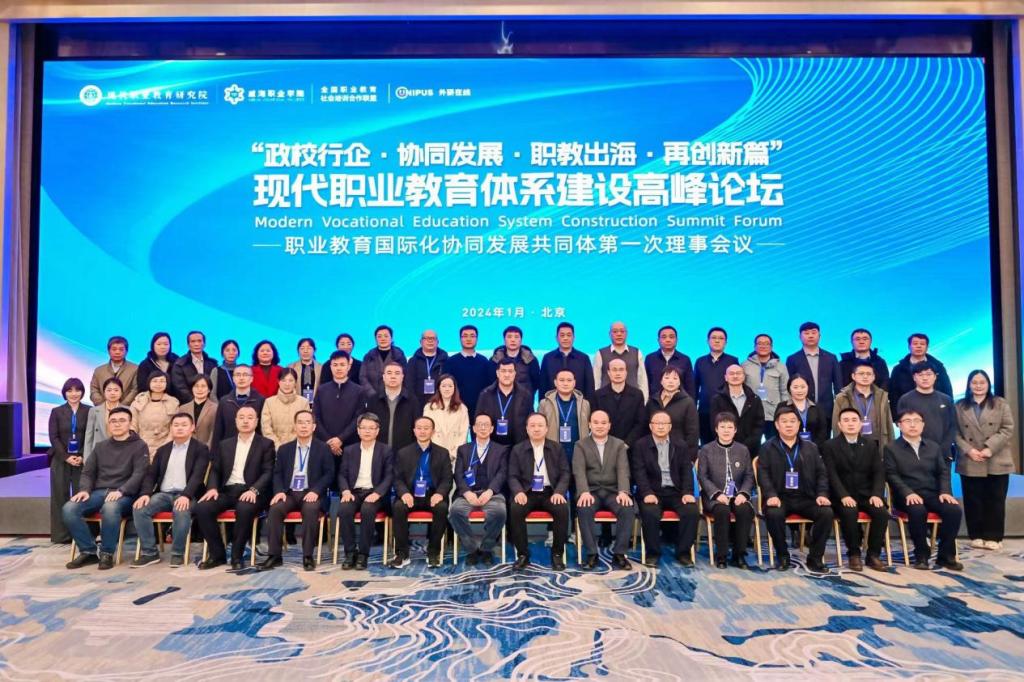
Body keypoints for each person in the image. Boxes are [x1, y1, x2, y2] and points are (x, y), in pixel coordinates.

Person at [63, 406, 149, 569]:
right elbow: (88, 472)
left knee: (110, 508)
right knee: (69, 508)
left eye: (122, 420)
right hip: (99, 492)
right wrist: (84, 490)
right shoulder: (101, 446)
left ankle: (107, 553)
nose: (117, 424)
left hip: (125, 495)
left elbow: (139, 474)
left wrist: (121, 491)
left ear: (130, 423)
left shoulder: (139, 446)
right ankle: (88, 551)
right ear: (108, 424)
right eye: (113, 421)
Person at [195, 405, 275, 570]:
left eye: (250, 418)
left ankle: (237, 556)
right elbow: (215, 470)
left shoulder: (266, 444)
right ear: (236, 421)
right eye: (241, 417)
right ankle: (217, 555)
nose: (245, 421)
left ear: (256, 422)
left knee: (245, 508)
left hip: (252, 491)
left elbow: (268, 472)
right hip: (228, 490)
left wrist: (254, 490)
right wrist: (212, 488)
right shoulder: (225, 444)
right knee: (202, 508)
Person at [757, 406, 834, 572]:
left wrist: (822, 494)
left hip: (806, 497)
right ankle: (783, 555)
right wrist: (770, 495)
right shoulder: (767, 448)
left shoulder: (811, 447)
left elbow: (821, 473)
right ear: (777, 425)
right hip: (780, 498)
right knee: (773, 514)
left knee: (826, 513)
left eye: (792, 421)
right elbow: (763, 475)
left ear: (799, 424)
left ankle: (815, 558)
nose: (789, 425)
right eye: (784, 421)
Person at [885, 410, 963, 570]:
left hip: (932, 494)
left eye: (917, 421)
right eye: (907, 421)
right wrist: (908, 493)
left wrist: (945, 492)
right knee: (917, 510)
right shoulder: (891, 448)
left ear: (923, 425)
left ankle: (945, 555)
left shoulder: (933, 447)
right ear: (899, 425)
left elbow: (943, 472)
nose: (912, 425)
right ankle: (921, 554)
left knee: (953, 510)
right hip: (906, 496)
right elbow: (891, 475)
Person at [131, 412, 210, 567]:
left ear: (192, 427)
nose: (179, 428)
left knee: (181, 509)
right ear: (171, 428)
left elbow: (198, 476)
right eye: (176, 425)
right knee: (140, 508)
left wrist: (186, 495)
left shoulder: (201, 449)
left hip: (188, 495)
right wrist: (145, 494)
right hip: (164, 494)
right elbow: (151, 475)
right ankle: (150, 553)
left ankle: (177, 553)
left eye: (184, 425)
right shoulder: (163, 450)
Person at [259, 410, 334, 571]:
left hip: (311, 492)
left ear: (314, 427)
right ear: (295, 426)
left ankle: (307, 556)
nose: (304, 426)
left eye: (308, 422)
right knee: (275, 509)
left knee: (311, 509)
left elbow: (329, 474)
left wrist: (316, 491)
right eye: (300, 422)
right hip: (290, 493)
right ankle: (274, 556)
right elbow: (277, 473)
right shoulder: (284, 449)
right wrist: (279, 491)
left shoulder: (323, 448)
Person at [821, 408, 889, 572]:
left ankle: (873, 554)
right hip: (841, 496)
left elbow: (878, 472)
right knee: (849, 511)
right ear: (839, 425)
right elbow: (831, 474)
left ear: (860, 424)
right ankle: (854, 553)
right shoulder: (830, 446)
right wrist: (843, 495)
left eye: (854, 420)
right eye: (846, 420)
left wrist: (877, 494)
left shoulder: (870, 444)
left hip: (866, 494)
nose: (850, 424)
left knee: (881, 512)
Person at [955, 369, 1016, 551]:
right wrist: (969, 450)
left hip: (996, 457)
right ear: (969, 385)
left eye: (982, 382)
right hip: (970, 459)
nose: (978, 386)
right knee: (973, 500)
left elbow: (1007, 428)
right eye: (974, 382)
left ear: (988, 384)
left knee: (995, 500)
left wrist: (990, 448)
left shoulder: (1000, 403)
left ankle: (994, 537)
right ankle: (976, 535)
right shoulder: (959, 406)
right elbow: (954, 432)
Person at [631, 410, 700, 567]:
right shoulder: (641, 445)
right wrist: (647, 493)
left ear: (670, 426)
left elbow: (686, 471)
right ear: (651, 426)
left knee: (691, 511)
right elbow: (639, 473)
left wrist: (687, 492)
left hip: (676, 491)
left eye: (664, 423)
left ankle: (683, 553)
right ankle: (653, 554)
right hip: (652, 491)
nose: (661, 426)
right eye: (657, 423)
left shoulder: (680, 445)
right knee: (650, 512)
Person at [508, 413, 571, 571]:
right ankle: (523, 555)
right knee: (515, 508)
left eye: (540, 425)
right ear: (527, 429)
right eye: (533, 426)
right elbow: (512, 476)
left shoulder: (556, 448)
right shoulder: (518, 449)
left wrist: (559, 492)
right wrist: (518, 492)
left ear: (546, 428)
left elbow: (565, 473)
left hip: (550, 492)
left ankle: (557, 554)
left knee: (562, 509)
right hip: (527, 492)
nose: (536, 429)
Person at [573, 410, 634, 570]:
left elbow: (623, 470)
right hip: (591, 491)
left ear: (609, 425)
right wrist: (584, 492)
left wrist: (623, 492)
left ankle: (619, 554)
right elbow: (579, 471)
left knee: (627, 508)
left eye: (603, 423)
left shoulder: (619, 445)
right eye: (596, 422)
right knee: (584, 508)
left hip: (613, 491)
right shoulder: (580, 445)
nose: (599, 426)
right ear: (589, 425)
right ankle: (592, 554)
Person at [390, 416, 453, 568]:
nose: (422, 431)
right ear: (414, 431)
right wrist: (404, 493)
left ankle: (433, 552)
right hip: (410, 494)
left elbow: (447, 479)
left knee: (442, 507)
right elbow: (397, 479)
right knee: (398, 507)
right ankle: (402, 554)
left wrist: (440, 493)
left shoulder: (442, 453)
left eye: (426, 428)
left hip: (432, 494)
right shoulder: (403, 453)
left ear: (433, 431)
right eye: (419, 428)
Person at [336, 413, 395, 570]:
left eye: (371, 428)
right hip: (354, 492)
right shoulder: (349, 450)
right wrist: (345, 491)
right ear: (358, 430)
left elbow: (389, 475)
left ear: (377, 431)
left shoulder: (385, 450)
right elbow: (342, 474)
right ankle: (350, 553)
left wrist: (378, 493)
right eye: (363, 428)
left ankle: (363, 554)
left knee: (367, 510)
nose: (367, 431)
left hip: (375, 493)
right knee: (344, 509)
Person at [696, 412, 755, 569]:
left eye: (730, 427)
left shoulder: (743, 450)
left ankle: (739, 555)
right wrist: (716, 494)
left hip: (738, 495)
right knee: (722, 510)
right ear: (716, 429)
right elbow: (702, 476)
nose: (726, 430)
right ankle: (721, 555)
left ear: (735, 430)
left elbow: (749, 475)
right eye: (722, 427)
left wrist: (743, 493)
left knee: (744, 510)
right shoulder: (706, 450)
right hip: (715, 497)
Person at [450, 414, 508, 566]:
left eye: (486, 425)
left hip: (492, 494)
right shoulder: (464, 450)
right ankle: (471, 549)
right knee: (455, 511)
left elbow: (502, 473)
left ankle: (486, 548)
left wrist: (490, 491)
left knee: (499, 512)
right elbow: (458, 474)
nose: (483, 428)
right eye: (479, 425)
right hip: (467, 494)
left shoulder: (501, 450)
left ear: (492, 429)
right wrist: (467, 492)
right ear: (474, 428)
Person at [49, 378, 91, 544]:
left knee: (82, 496)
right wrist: (66, 457)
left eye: (77, 390)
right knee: (60, 496)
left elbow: (90, 435)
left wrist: (82, 455)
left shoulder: (90, 411)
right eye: (70, 390)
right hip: (61, 459)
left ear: (82, 392)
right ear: (64, 393)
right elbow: (54, 437)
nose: (74, 394)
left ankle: (84, 535)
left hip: (82, 459)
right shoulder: (57, 411)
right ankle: (61, 536)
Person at [785, 322, 843, 425]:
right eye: (806, 333)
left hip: (826, 410)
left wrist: (840, 407)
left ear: (819, 336)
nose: (810, 336)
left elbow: (838, 385)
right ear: (800, 337)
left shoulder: (831, 358)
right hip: (800, 410)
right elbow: (788, 385)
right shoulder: (792, 359)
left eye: (813, 332)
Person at [896, 362, 956, 461]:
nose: (925, 378)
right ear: (914, 377)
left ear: (935, 376)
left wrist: (943, 449)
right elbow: (904, 428)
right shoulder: (905, 400)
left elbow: (953, 426)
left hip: (943, 454)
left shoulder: (946, 399)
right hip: (915, 454)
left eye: (928, 374)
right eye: (920, 375)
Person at [888, 333, 955, 417]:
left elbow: (947, 389)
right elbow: (893, 395)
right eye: (915, 343)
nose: (919, 346)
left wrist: (949, 411)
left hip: (937, 412)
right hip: (909, 416)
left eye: (922, 344)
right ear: (909, 346)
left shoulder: (938, 367)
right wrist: (897, 417)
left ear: (927, 347)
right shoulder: (898, 369)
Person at [313, 350, 367, 455]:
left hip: (350, 446)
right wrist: (329, 441)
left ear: (349, 366)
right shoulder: (321, 390)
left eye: (342, 365)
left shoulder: (359, 391)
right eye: (335, 365)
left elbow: (358, 418)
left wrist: (340, 439)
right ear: (330, 367)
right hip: (324, 445)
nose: (338, 368)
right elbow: (316, 417)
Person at [833, 361, 894, 447]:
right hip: (851, 442)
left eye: (869, 374)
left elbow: (888, 423)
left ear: (873, 377)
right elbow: (836, 425)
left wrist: (891, 445)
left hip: (877, 442)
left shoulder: (882, 396)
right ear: (853, 376)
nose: (865, 376)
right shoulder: (842, 397)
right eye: (861, 373)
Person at [538, 369, 592, 466]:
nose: (565, 383)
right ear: (555, 382)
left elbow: (589, 428)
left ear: (574, 383)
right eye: (561, 380)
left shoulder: (585, 404)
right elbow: (540, 429)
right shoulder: (544, 404)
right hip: (554, 454)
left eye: (569, 380)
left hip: (578, 454)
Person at [695, 327, 739, 444]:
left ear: (726, 342)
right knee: (705, 444)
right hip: (704, 410)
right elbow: (695, 386)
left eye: (721, 338)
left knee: (727, 443)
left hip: (726, 410)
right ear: (708, 341)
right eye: (713, 338)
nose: (717, 340)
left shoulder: (733, 361)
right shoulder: (700, 361)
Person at [475, 358, 532, 447]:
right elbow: (478, 421)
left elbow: (530, 420)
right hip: (492, 447)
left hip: (517, 446)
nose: (507, 375)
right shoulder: (485, 394)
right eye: (503, 371)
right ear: (497, 373)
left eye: (510, 371)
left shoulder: (525, 395)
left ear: (515, 373)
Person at [591, 357, 647, 447]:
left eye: (621, 370)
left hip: (631, 446)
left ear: (626, 372)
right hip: (605, 446)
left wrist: (627, 443)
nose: (618, 373)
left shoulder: (637, 394)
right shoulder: (598, 395)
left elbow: (640, 423)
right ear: (608, 372)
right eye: (614, 370)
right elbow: (596, 422)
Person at [646, 367, 699, 461]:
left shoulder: (688, 402)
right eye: (667, 378)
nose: (670, 381)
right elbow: (645, 427)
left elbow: (692, 433)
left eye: (675, 378)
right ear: (661, 381)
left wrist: (689, 458)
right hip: (653, 452)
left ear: (679, 382)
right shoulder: (652, 401)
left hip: (678, 453)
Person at [710, 364, 765, 456]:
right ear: (726, 377)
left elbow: (759, 424)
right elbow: (714, 424)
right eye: (731, 374)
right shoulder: (717, 399)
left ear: (743, 377)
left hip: (750, 450)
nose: (735, 376)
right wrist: (730, 444)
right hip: (725, 449)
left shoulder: (754, 399)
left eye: (738, 373)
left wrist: (747, 445)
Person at [743, 334, 789, 439]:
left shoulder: (781, 366)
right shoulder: (745, 365)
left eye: (766, 344)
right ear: (754, 346)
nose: (763, 346)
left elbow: (785, 391)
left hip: (773, 414)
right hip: (751, 414)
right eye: (760, 343)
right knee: (751, 444)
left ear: (771, 347)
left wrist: (784, 413)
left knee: (773, 445)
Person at [366, 361, 419, 452]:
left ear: (402, 377)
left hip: (405, 452)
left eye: (397, 373)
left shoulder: (412, 400)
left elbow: (416, 427)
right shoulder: (373, 400)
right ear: (384, 377)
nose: (393, 376)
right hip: (378, 451)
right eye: (389, 373)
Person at [211, 364, 266, 446]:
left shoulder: (260, 400)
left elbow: (263, 428)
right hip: (228, 448)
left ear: (252, 379)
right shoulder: (224, 401)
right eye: (238, 375)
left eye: (245, 375)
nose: (241, 378)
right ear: (233, 378)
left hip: (254, 448)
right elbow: (218, 429)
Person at [593, 321, 649, 401]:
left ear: (626, 333)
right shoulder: (600, 353)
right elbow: (596, 381)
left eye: (622, 331)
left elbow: (642, 380)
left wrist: (644, 401)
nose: (619, 334)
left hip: (632, 400)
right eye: (615, 331)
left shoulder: (637, 352)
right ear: (609, 334)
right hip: (606, 401)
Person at [445, 324, 494, 414]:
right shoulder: (451, 361)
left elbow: (489, 386)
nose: (468, 339)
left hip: (480, 408)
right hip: (456, 407)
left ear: (477, 339)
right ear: (460, 339)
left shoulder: (484, 361)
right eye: (465, 336)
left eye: (472, 336)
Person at [130, 371, 180, 459]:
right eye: (155, 381)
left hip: (166, 447)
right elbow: (132, 425)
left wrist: (165, 447)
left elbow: (174, 427)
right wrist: (137, 444)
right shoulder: (138, 401)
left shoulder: (173, 403)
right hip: (140, 446)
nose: (158, 384)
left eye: (162, 381)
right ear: (149, 382)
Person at [540, 322, 595, 401]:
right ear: (556, 338)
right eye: (562, 335)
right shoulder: (548, 358)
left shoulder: (583, 358)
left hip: (578, 404)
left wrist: (589, 405)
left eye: (569, 335)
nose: (565, 338)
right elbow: (543, 385)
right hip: (552, 404)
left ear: (574, 337)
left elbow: (589, 386)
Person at [422, 374, 470, 464]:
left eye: (450, 386)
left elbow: (464, 433)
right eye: (444, 386)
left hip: (454, 455)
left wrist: (453, 453)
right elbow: (426, 430)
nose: (447, 389)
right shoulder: (429, 407)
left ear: (454, 388)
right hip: (434, 453)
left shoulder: (462, 408)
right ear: (439, 388)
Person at [260, 367, 311, 449]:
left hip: (298, 448)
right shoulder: (269, 402)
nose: (287, 384)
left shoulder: (303, 402)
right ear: (278, 382)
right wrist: (279, 447)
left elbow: (305, 427)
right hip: (274, 449)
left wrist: (292, 447)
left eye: (291, 380)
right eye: (283, 380)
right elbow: (266, 429)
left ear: (295, 383)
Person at [490, 325, 542, 402]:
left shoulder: (531, 360)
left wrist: (528, 394)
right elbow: (490, 382)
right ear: (504, 340)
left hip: (525, 401)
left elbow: (536, 382)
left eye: (516, 337)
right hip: (500, 402)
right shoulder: (495, 360)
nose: (513, 340)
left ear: (521, 340)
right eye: (509, 337)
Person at [644, 325, 695, 401]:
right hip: (655, 403)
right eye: (664, 337)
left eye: (671, 337)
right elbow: (645, 383)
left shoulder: (685, 359)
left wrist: (691, 404)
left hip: (679, 403)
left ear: (676, 340)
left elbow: (690, 386)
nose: (668, 340)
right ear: (658, 340)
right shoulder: (650, 358)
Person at [779, 374, 829, 447]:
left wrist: (813, 448)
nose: (799, 390)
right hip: (788, 448)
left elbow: (822, 431)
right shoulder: (782, 406)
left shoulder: (817, 407)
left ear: (808, 387)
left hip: (814, 448)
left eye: (803, 387)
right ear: (789, 388)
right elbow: (778, 429)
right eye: (795, 387)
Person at [89, 335, 139, 405]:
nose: (117, 352)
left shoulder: (135, 369)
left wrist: (121, 407)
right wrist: (104, 406)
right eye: (114, 349)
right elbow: (94, 390)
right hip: (102, 409)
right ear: (108, 351)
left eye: (121, 349)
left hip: (126, 409)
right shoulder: (99, 370)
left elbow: (135, 390)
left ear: (126, 351)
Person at [170, 330, 217, 403]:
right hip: (188, 404)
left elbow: (215, 387)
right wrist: (196, 402)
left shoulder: (213, 364)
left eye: (199, 341)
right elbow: (180, 388)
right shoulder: (179, 364)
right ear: (188, 345)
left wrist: (209, 403)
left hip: (210, 404)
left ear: (204, 344)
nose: (196, 344)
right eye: (193, 341)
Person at [360, 325, 408, 394]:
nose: (383, 339)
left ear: (391, 338)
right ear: (375, 339)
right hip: (372, 396)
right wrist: (372, 394)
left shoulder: (399, 355)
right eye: (379, 336)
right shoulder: (369, 356)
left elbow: (406, 376)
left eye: (386, 336)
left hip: (394, 395)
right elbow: (362, 377)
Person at [405, 329, 449, 405]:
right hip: (418, 404)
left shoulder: (446, 360)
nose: (430, 341)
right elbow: (409, 385)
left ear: (438, 342)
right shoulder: (413, 361)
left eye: (433, 338)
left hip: (441, 403)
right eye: (427, 338)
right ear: (421, 342)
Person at [83, 377, 122, 463]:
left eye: (116, 390)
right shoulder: (94, 411)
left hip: (121, 454)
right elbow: (89, 436)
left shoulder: (128, 410)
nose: (112, 393)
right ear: (104, 392)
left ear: (121, 392)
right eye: (109, 390)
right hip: (98, 454)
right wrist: (87, 459)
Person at [135, 332, 178, 397]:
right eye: (159, 344)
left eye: (166, 344)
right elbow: (142, 388)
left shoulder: (177, 361)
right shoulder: (145, 365)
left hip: (176, 400)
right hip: (152, 400)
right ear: (153, 345)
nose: (162, 347)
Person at [182, 374, 218, 449]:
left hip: (206, 449)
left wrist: (207, 449)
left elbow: (215, 431)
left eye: (203, 386)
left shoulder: (215, 408)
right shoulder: (183, 408)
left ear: (209, 389)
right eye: (196, 386)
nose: (199, 389)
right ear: (192, 388)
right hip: (185, 449)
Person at [289, 337, 322, 403]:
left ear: (314, 350)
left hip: (316, 404)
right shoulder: (291, 367)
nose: (305, 351)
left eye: (309, 348)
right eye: (302, 348)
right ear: (298, 351)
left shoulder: (321, 367)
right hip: (296, 403)